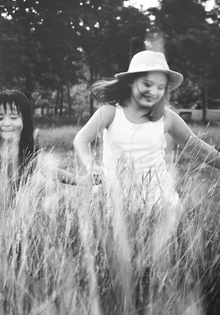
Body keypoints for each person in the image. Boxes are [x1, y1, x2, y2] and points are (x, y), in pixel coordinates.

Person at [73, 50, 220, 252]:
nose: (154, 91)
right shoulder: (111, 111)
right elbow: (81, 139)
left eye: (161, 87)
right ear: (131, 82)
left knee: (157, 255)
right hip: (115, 197)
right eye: (147, 84)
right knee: (117, 252)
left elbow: (197, 147)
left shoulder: (167, 118)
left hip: (158, 200)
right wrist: (91, 164)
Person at [0, 89, 93, 195]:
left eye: (14, 117)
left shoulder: (28, 148)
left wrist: (80, 180)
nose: (6, 123)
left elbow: (49, 170)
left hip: (20, 215)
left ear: (24, 120)